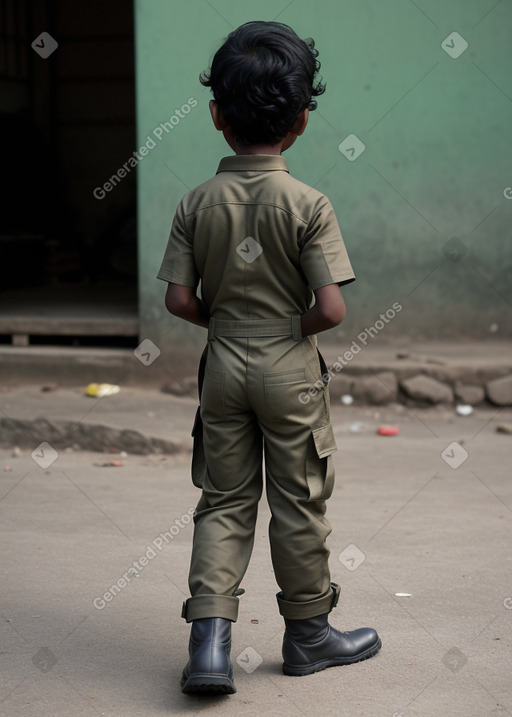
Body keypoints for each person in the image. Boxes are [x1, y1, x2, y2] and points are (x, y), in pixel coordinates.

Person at [157, 20, 381, 695]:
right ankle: (310, 635)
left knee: (222, 499)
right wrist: (290, 327)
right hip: (290, 370)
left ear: (218, 115)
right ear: (303, 121)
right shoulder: (308, 204)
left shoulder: (197, 202)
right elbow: (332, 309)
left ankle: (210, 644)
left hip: (223, 366)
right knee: (299, 499)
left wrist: (225, 321)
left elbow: (176, 299)